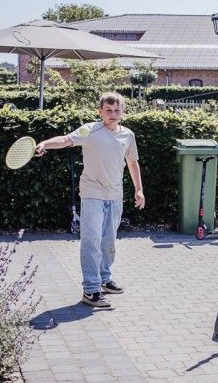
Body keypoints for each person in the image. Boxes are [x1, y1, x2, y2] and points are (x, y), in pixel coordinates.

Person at [34, 92, 145, 308]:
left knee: (108, 242)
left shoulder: (128, 135)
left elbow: (132, 163)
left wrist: (139, 190)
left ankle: (104, 279)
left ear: (123, 111)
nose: (113, 114)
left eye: (117, 110)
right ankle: (91, 289)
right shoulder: (90, 130)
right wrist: (45, 143)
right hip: (92, 193)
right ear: (100, 112)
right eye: (108, 110)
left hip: (116, 196)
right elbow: (66, 140)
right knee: (92, 241)